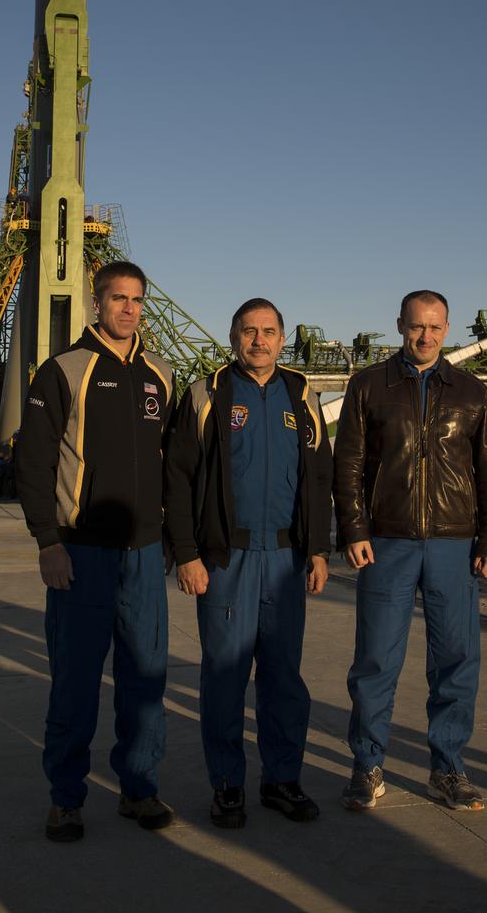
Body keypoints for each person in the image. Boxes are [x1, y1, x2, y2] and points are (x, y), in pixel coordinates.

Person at [16, 261, 176, 843]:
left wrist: (176, 546)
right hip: (81, 554)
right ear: (96, 302)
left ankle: (139, 788)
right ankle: (66, 798)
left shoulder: (161, 375)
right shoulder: (63, 371)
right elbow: (32, 463)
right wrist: (48, 541)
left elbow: (176, 469)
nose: (129, 309)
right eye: (118, 299)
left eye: (137, 300)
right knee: (76, 682)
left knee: (145, 681)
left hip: (143, 555)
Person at [333, 289, 487, 813]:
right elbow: (348, 466)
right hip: (387, 541)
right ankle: (367, 765)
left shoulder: (473, 392)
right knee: (375, 659)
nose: (425, 336)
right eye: (416, 327)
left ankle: (448, 768)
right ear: (400, 327)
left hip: (455, 544)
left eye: (434, 327)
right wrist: (354, 530)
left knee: (456, 659)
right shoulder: (369, 387)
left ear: (447, 329)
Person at [164, 298, 332, 829]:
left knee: (284, 678)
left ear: (283, 339)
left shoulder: (302, 396)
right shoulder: (207, 395)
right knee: (225, 676)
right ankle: (228, 785)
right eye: (248, 331)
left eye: (268, 332)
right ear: (232, 337)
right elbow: (178, 478)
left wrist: (320, 548)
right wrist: (188, 555)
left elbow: (319, 477)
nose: (258, 341)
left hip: (285, 557)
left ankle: (282, 780)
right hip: (226, 559)